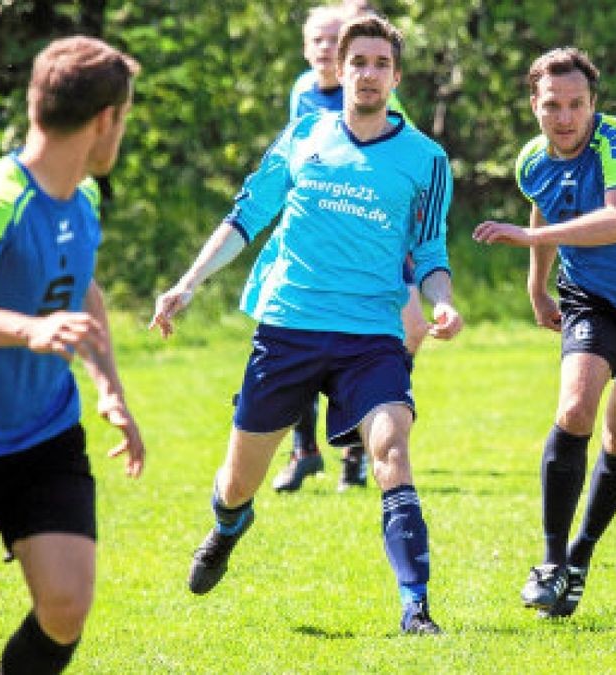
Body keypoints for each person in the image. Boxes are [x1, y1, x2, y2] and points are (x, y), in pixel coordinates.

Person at [149, 15, 461, 635]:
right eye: (358, 63)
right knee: (239, 482)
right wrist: (186, 284)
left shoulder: (426, 160)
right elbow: (244, 219)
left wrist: (442, 300)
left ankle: (415, 607)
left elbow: (429, 255)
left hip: (371, 337)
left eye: (380, 64)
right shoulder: (302, 137)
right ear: (337, 71)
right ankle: (229, 525)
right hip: (288, 327)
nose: (368, 74)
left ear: (395, 77)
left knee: (391, 451)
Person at [473, 47, 616, 619]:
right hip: (591, 298)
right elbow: (544, 212)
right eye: (552, 105)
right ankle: (550, 565)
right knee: (575, 410)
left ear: (593, 104)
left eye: (576, 104)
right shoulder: (532, 160)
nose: (565, 117)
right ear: (534, 105)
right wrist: (536, 286)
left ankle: (579, 558)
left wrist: (525, 243)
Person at [0, 36, 145, 673]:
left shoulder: (82, 197)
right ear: (104, 122)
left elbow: (82, 286)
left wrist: (108, 385)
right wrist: (25, 330)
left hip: (42, 432)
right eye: (126, 119)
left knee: (65, 606)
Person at [272, 1, 425, 494]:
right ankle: (305, 451)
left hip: (377, 245)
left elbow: (404, 171)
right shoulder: (302, 93)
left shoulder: (378, 98)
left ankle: (360, 446)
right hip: (317, 248)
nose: (322, 48)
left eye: (331, 39)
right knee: (296, 335)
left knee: (401, 335)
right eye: (315, 39)